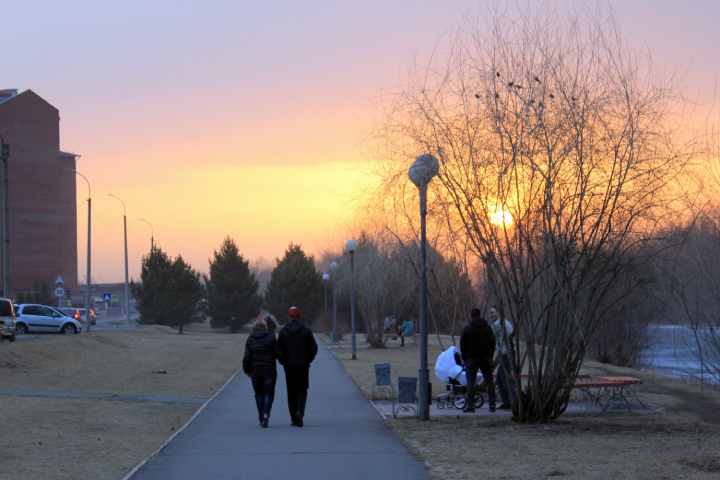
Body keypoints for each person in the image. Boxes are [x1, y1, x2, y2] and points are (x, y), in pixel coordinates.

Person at [277, 306, 318, 427]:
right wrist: (308, 360)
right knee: (302, 390)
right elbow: (314, 348)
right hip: (303, 366)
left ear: (289, 316)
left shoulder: (283, 331)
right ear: (299, 316)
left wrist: (283, 362)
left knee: (291, 392)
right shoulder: (306, 330)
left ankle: (294, 417)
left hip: (289, 367)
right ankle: (300, 412)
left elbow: (278, 350)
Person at [242, 318, 278, 428]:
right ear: (265, 328)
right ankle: (266, 414)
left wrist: (247, 370)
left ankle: (261, 416)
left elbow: (247, 357)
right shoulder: (271, 338)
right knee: (269, 393)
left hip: (255, 371)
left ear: (254, 328)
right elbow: (277, 353)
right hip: (269, 370)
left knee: (258, 394)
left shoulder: (250, 339)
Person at [459, 308, 496, 413]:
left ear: (471, 316)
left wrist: (465, 358)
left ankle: (471, 406)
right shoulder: (488, 328)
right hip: (485, 358)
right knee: (489, 382)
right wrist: (490, 356)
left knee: (471, 383)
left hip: (471, 359)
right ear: (480, 315)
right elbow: (493, 343)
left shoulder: (467, 329)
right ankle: (492, 406)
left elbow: (462, 345)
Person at [490, 305, 515, 410]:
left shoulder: (502, 324)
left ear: (499, 313)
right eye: (490, 313)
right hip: (502, 353)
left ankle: (514, 402)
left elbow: (509, 336)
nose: (491, 315)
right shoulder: (500, 324)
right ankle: (507, 403)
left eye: (493, 312)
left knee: (504, 379)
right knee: (500, 379)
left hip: (507, 354)